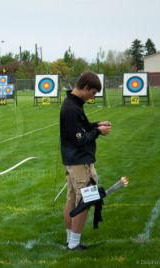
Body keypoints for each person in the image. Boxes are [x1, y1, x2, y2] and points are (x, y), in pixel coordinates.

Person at [59, 72, 111, 250]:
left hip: (74, 161)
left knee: (72, 199)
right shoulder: (71, 108)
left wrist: (96, 125)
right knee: (85, 201)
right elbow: (79, 139)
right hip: (79, 161)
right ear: (86, 88)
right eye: (93, 92)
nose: (93, 96)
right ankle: (74, 243)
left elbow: (82, 128)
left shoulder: (74, 104)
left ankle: (70, 240)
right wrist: (98, 132)